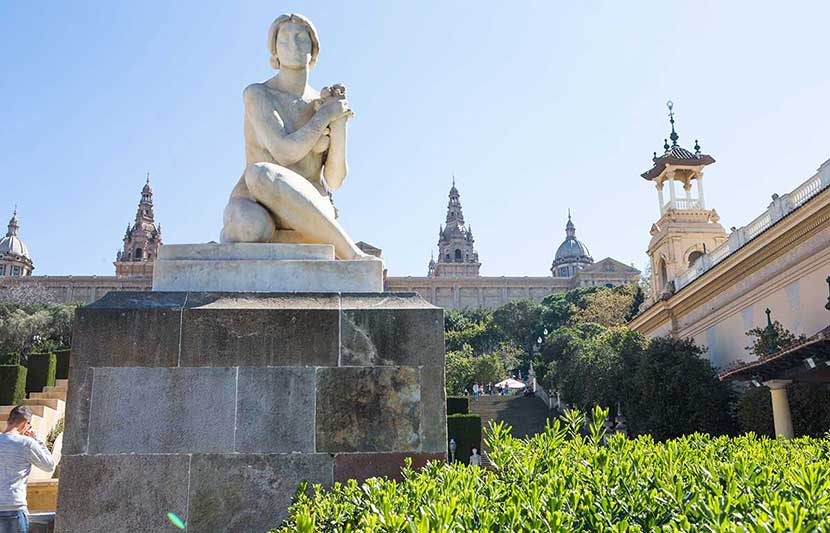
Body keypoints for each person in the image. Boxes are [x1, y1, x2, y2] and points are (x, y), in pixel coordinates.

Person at [220, 13, 375, 261]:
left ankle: (350, 254)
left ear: (313, 50)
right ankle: (320, 241)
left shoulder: (325, 103)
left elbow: (334, 180)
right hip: (257, 202)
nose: (293, 46)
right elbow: (283, 152)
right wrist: (324, 116)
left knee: (261, 177)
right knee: (253, 213)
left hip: (310, 203)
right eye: (284, 41)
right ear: (275, 52)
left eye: (301, 39)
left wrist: (340, 124)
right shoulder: (258, 94)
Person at [0, 406, 55, 533]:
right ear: (26, 423)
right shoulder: (26, 443)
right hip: (14, 506)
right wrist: (36, 439)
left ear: (9, 420)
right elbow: (49, 465)